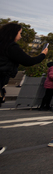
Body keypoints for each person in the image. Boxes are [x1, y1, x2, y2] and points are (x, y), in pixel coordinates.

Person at [0, 22, 48, 154]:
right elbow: (28, 61)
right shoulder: (11, 46)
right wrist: (43, 54)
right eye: (20, 33)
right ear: (13, 33)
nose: (20, 37)